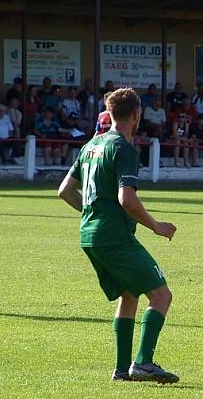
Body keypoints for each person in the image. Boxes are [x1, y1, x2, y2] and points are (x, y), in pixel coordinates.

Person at [57, 87, 179, 383]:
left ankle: (122, 370)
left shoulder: (90, 146)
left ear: (109, 114)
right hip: (114, 237)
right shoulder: (123, 148)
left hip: (90, 235)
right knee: (161, 295)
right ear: (137, 115)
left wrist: (94, 214)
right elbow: (127, 199)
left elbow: (64, 191)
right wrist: (156, 226)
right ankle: (144, 363)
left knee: (128, 295)